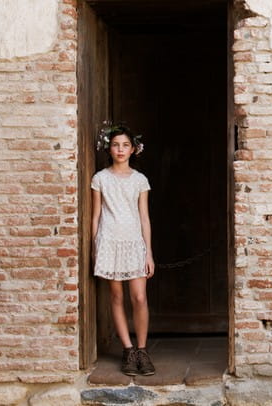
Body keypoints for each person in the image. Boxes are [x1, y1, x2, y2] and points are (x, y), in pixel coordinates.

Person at [91, 123, 156, 376]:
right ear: (109, 148)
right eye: (116, 145)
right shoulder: (100, 178)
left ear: (133, 150)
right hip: (109, 241)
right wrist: (96, 247)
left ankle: (142, 350)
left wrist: (148, 252)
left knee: (139, 297)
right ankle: (128, 351)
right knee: (116, 297)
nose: (120, 149)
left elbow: (144, 217)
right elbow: (96, 216)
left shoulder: (140, 180)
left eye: (125, 145)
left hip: (134, 243)